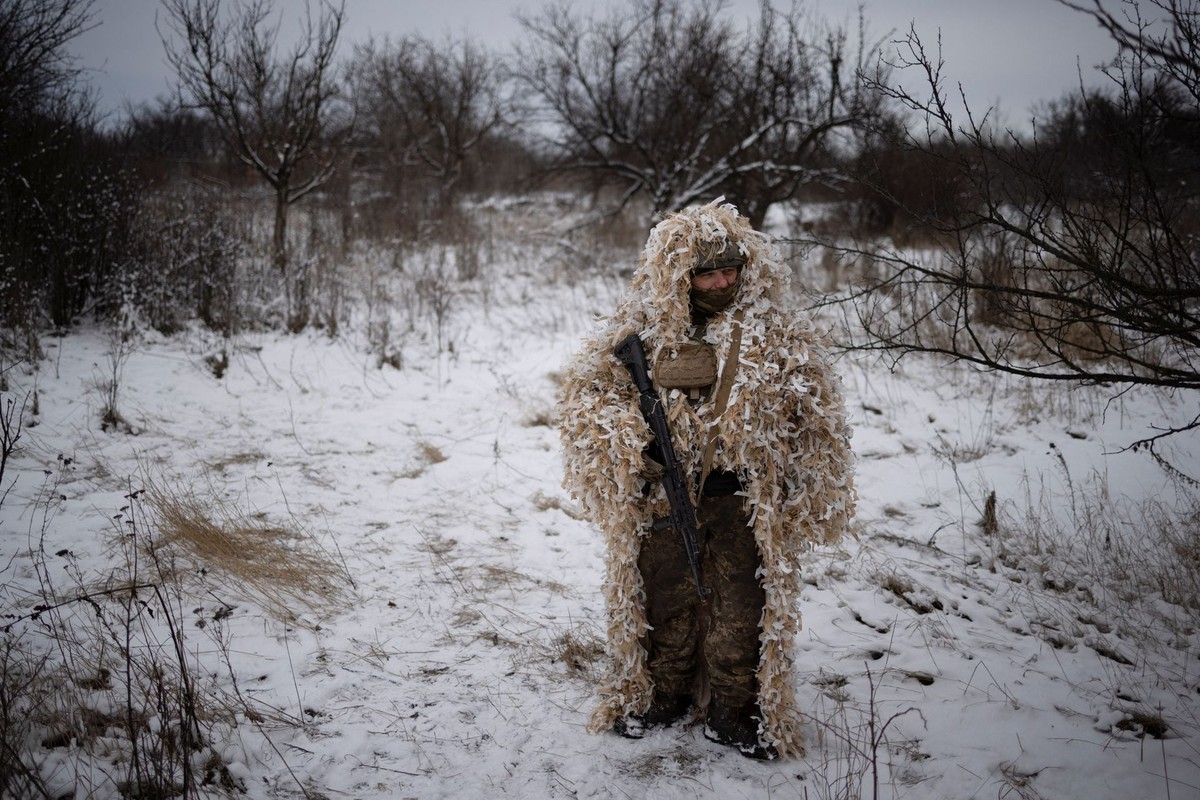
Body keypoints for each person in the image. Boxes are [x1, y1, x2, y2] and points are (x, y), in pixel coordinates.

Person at [557, 199, 855, 759]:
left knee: (742, 607)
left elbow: (819, 421)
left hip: (742, 500)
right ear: (679, 276)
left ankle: (732, 709)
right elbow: (586, 401)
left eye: (730, 271)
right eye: (706, 273)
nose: (721, 282)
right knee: (661, 600)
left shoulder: (778, 336)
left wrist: (808, 490)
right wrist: (631, 442)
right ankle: (663, 696)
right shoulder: (638, 332)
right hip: (663, 499)